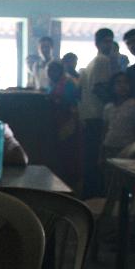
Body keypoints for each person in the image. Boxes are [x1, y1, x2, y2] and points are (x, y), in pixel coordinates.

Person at [78, 27, 114, 197]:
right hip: (98, 115)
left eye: (110, 41)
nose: (109, 45)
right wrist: (113, 102)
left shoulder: (91, 63)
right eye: (106, 41)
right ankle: (95, 193)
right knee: (97, 157)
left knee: (90, 157)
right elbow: (99, 88)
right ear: (97, 43)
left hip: (87, 115)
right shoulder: (103, 61)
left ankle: (88, 192)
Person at [47, 61, 82, 190]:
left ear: (60, 71)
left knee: (69, 153)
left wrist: (55, 101)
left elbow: (71, 102)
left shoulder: (69, 83)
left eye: (55, 70)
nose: (52, 73)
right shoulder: (53, 84)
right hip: (56, 122)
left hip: (69, 121)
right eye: (50, 71)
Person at [102, 72, 135, 160]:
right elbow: (105, 130)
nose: (122, 86)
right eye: (118, 83)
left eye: (126, 82)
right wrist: (101, 150)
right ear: (112, 87)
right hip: (109, 146)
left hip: (127, 147)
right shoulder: (108, 107)